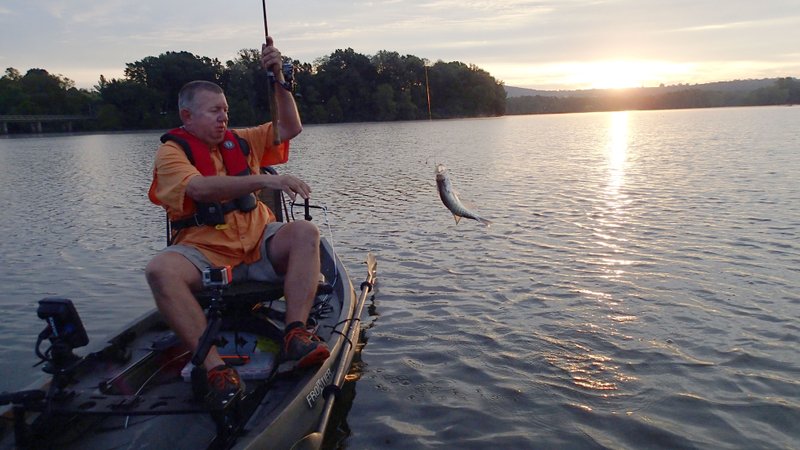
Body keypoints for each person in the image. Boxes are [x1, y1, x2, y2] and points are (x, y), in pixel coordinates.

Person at [145, 37, 329, 404]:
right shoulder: (171, 152)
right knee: (159, 271)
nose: (223, 117)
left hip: (258, 243)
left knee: (306, 232)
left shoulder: (242, 141)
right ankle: (215, 368)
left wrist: (279, 80)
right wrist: (265, 179)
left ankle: (295, 332)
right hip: (205, 254)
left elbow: (290, 127)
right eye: (214, 111)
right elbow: (198, 189)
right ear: (187, 116)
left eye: (225, 110)